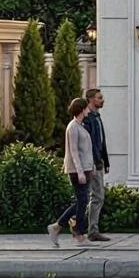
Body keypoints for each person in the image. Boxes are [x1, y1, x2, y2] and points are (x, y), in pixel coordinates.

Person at [47, 97, 94, 246]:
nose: (88, 110)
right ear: (81, 109)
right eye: (86, 108)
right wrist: (80, 172)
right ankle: (78, 234)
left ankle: (57, 226)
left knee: (82, 201)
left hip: (85, 169)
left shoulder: (81, 126)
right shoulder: (73, 127)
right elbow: (73, 151)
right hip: (76, 171)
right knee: (82, 200)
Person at [82, 87, 112, 241]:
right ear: (91, 100)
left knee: (94, 196)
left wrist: (106, 161)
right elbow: (90, 145)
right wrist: (95, 162)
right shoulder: (88, 120)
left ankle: (80, 225)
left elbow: (102, 142)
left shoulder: (97, 117)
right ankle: (92, 230)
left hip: (98, 162)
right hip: (93, 163)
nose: (102, 100)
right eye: (99, 98)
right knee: (97, 196)